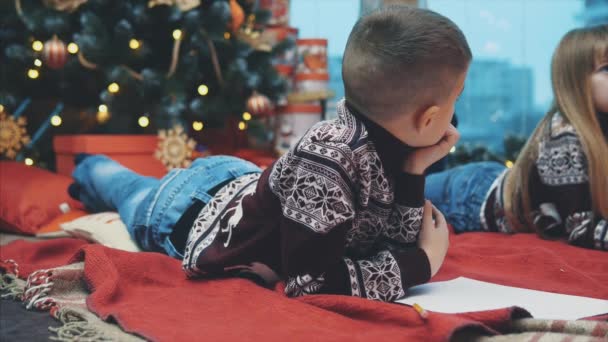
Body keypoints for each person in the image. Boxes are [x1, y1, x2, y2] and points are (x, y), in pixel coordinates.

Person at [68, 5, 471, 301]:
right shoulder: (329, 161)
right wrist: (422, 264)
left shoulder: (390, 147)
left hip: (244, 183)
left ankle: (98, 170)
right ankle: (89, 165)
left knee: (131, 187)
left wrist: (415, 171)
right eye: (458, 97)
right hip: (189, 210)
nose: (457, 110)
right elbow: (308, 283)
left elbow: (388, 245)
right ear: (428, 117)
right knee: (123, 189)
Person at [424, 25, 608, 251]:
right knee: (393, 193)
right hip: (472, 196)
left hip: (493, 180)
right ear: (576, 81)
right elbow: (582, 229)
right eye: (606, 69)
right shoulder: (565, 136)